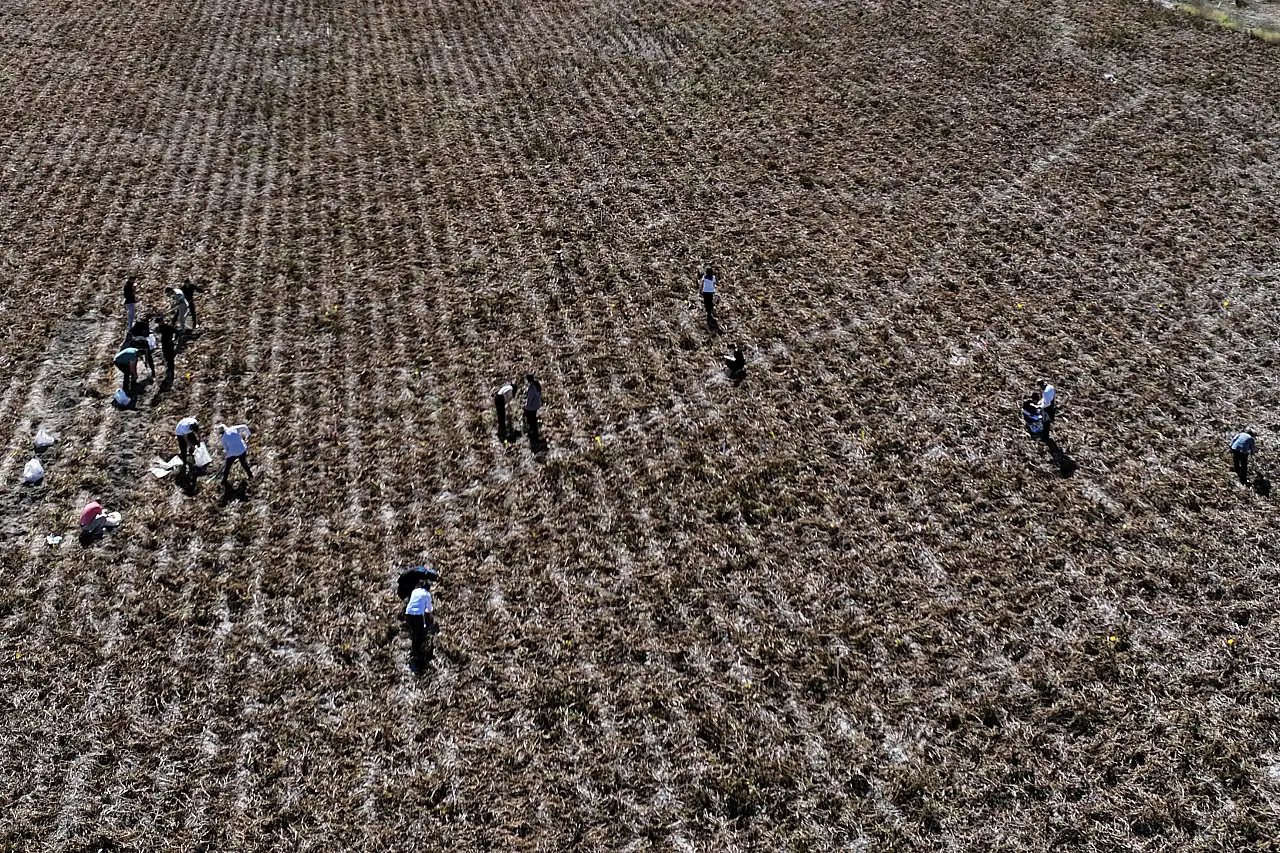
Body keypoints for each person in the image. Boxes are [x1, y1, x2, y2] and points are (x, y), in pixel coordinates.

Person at [403, 569, 438, 669]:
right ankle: (415, 651)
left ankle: (413, 640)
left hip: (408, 612)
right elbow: (429, 609)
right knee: (418, 632)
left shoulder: (415, 590)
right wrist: (430, 617)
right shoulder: (427, 595)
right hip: (417, 614)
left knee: (414, 628)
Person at [155, 315, 177, 387]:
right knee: (166, 357)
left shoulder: (168, 327)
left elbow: (177, 332)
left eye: (159, 322)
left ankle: (171, 372)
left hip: (169, 344)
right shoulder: (160, 328)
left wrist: (174, 339)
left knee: (171, 358)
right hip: (164, 344)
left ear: (162, 321)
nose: (159, 324)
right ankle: (169, 369)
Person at [524, 374, 543, 444]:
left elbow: (529, 399)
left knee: (531, 418)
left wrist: (526, 407)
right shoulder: (537, 384)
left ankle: (533, 431)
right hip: (537, 404)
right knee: (533, 417)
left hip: (532, 405)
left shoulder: (531, 387)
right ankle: (535, 431)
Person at [700, 266, 718, 332]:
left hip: (705, 291)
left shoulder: (705, 276)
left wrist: (700, 290)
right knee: (710, 301)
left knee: (706, 301)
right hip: (710, 291)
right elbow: (714, 284)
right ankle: (710, 311)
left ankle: (708, 311)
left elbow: (701, 284)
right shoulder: (713, 277)